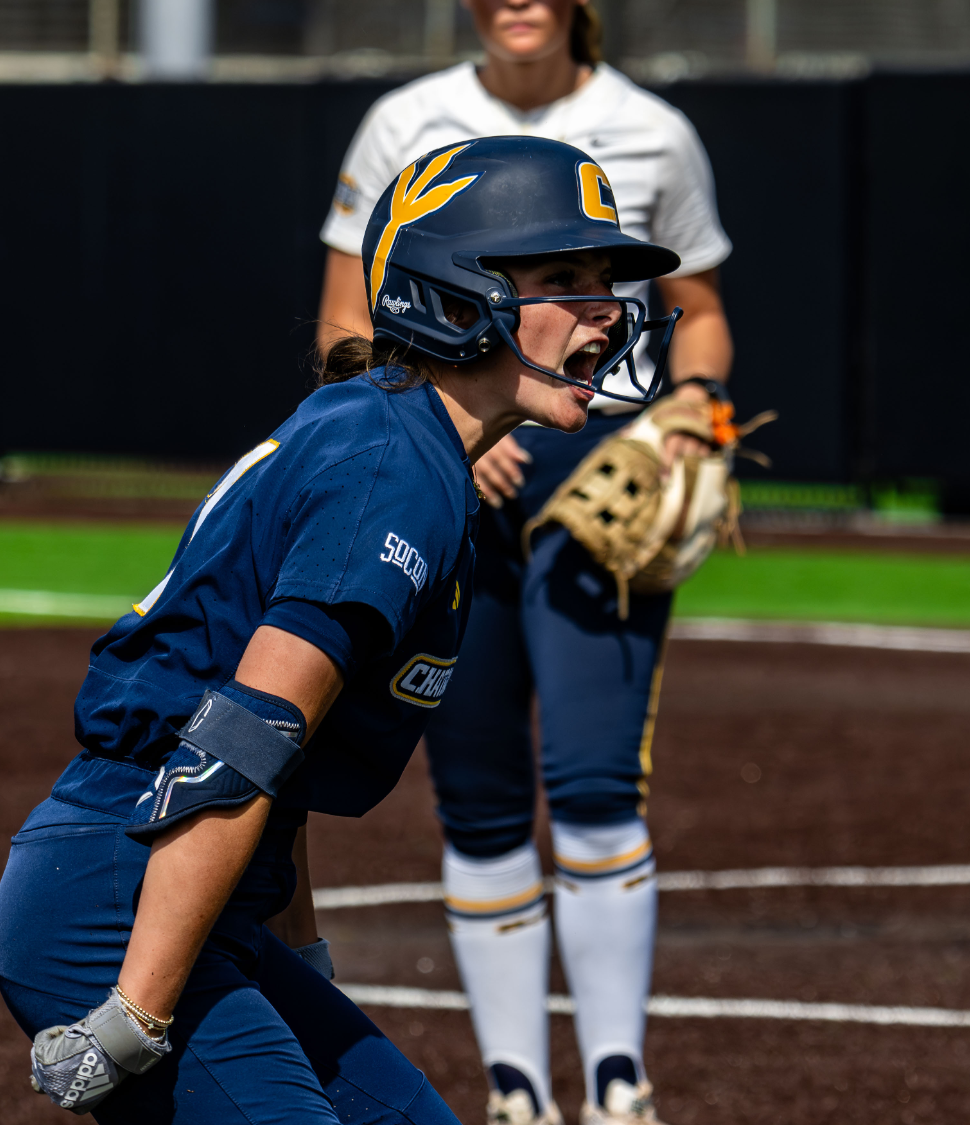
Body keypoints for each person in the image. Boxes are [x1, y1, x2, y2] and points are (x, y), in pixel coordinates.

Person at [0, 135, 683, 1124]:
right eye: (564, 277)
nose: (604, 313)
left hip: (187, 884)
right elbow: (245, 737)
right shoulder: (393, 464)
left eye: (604, 281)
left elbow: (288, 764)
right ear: (454, 295)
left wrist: (297, 960)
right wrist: (137, 1011)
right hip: (118, 890)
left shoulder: (405, 442)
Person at [316, 2, 736, 1123]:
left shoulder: (649, 129)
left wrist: (694, 410)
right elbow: (342, 323)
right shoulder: (403, 120)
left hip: (597, 478)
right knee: (478, 796)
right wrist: (449, 433)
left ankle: (616, 1087)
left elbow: (693, 315)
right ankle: (516, 1093)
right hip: (462, 470)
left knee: (596, 784)